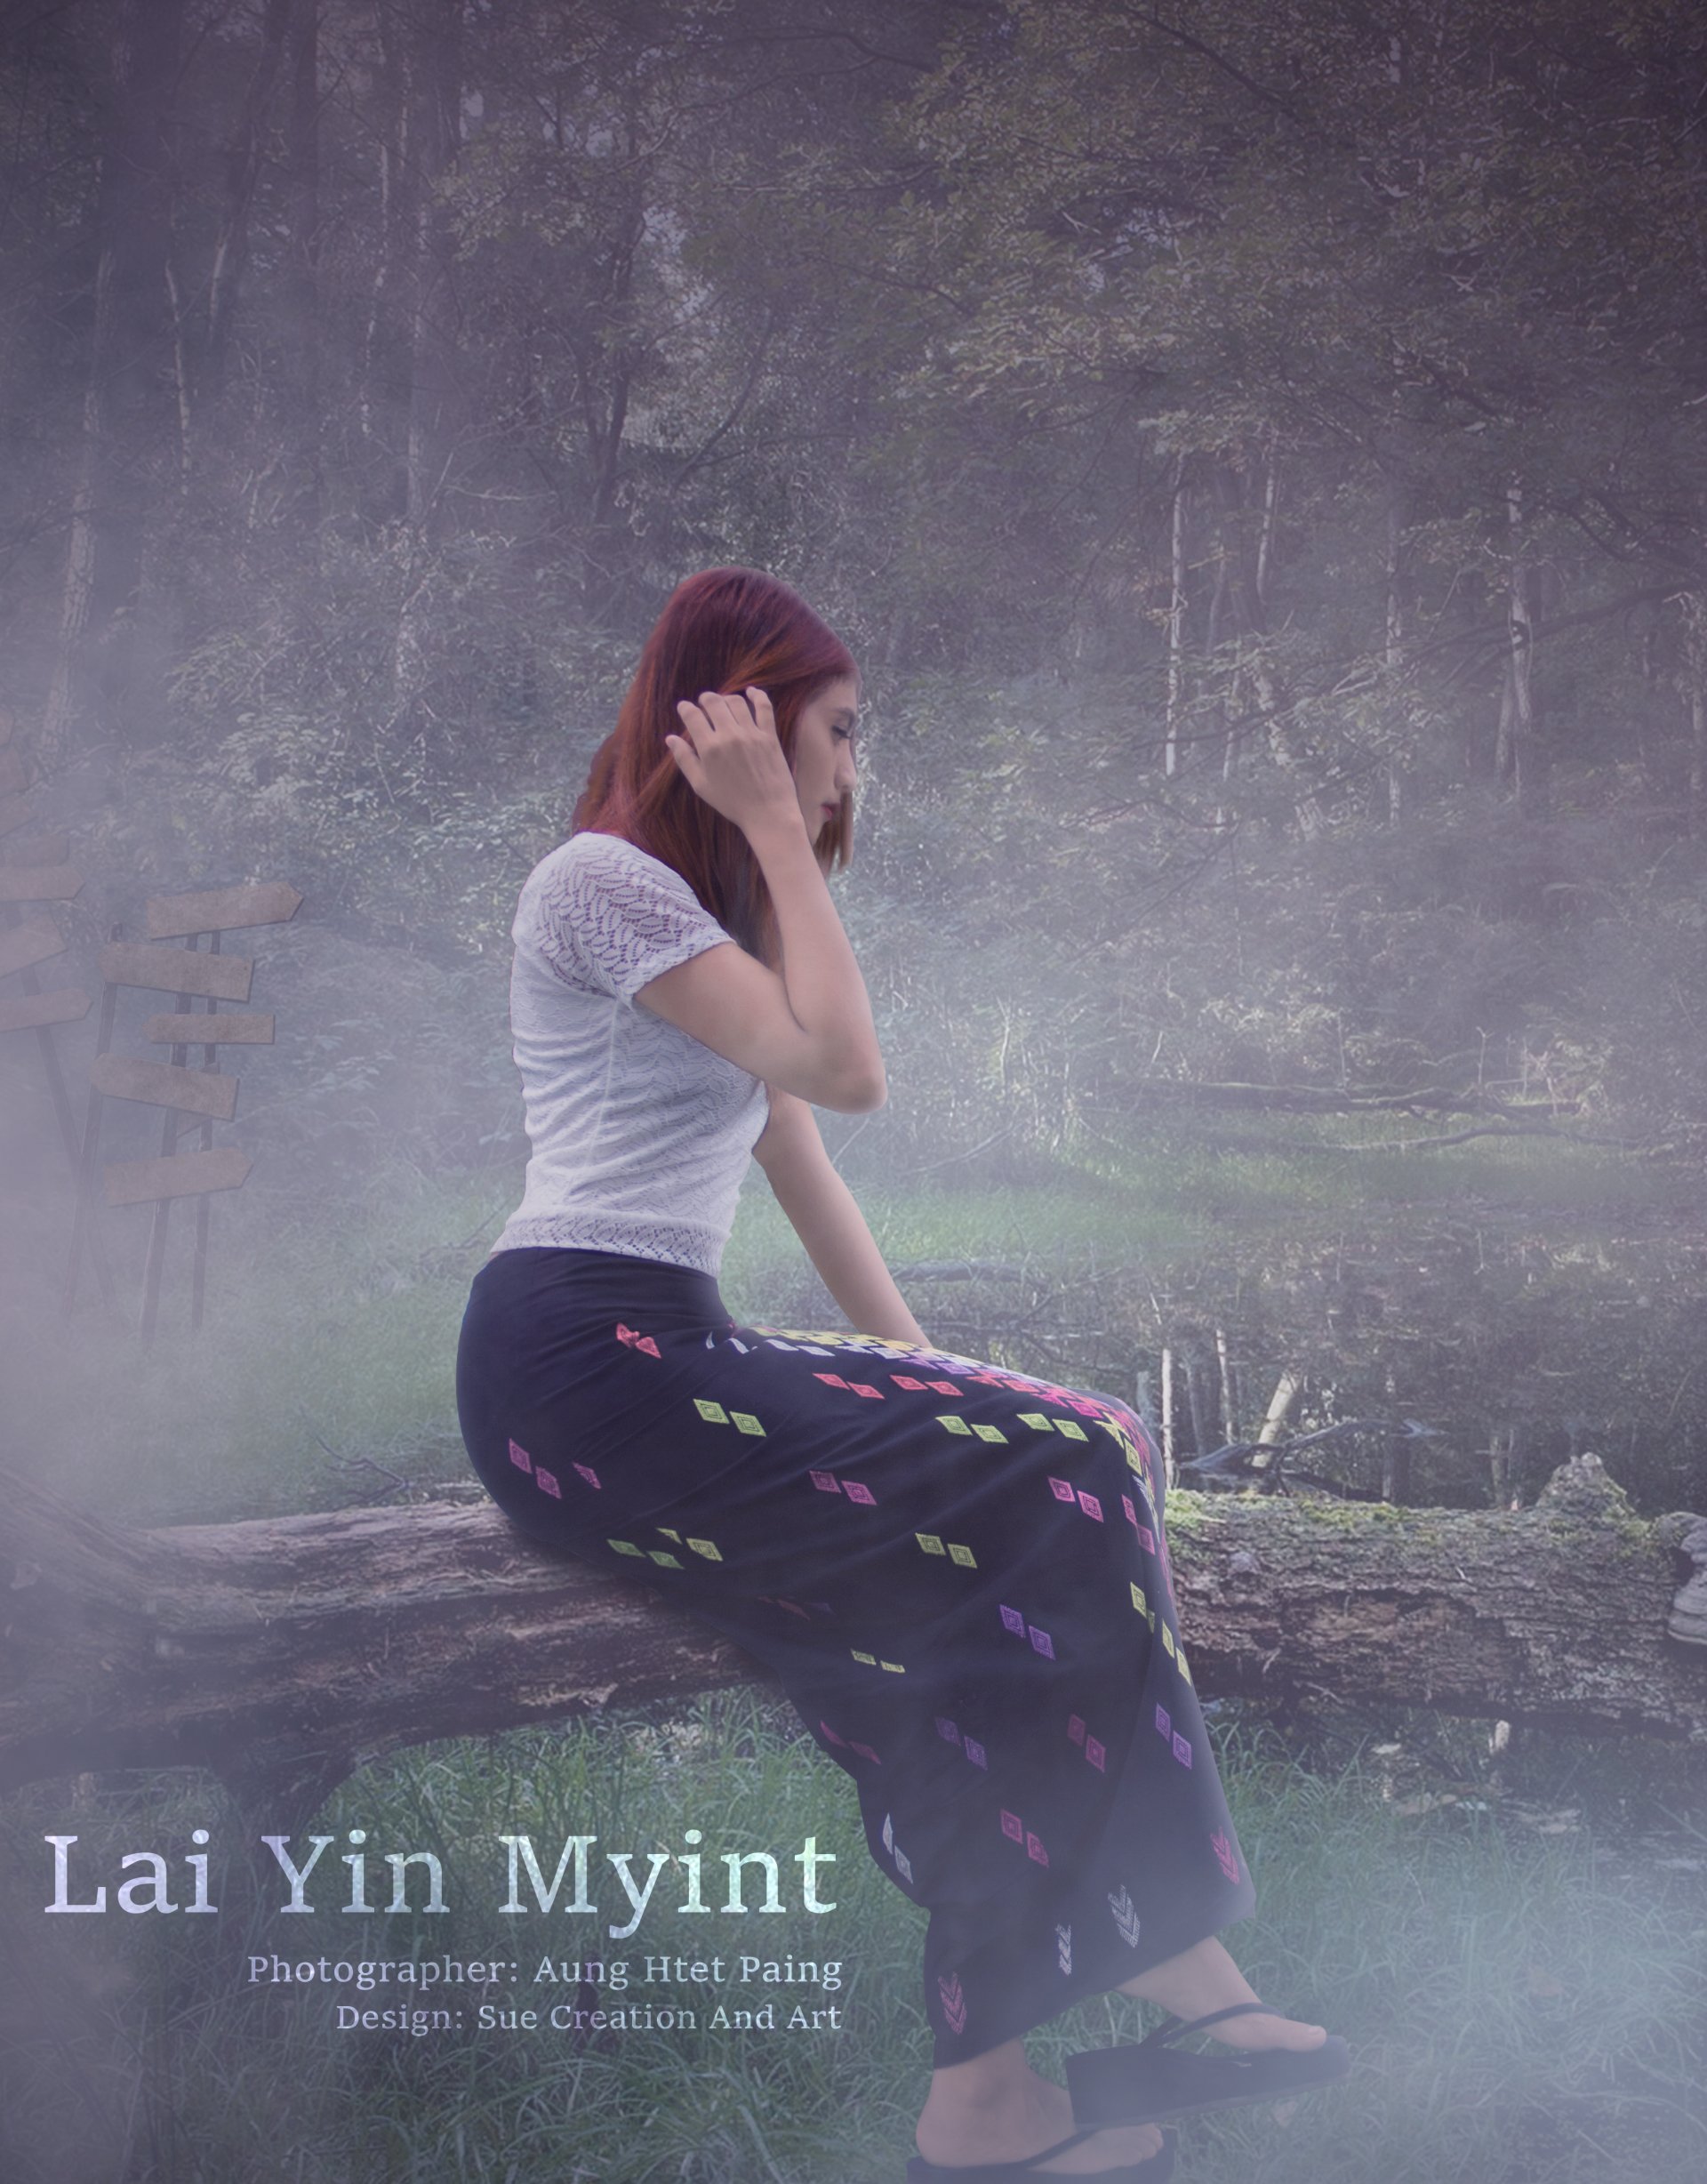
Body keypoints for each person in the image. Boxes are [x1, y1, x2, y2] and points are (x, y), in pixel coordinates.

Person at [456, 568, 1342, 2181]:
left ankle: (984, 2104)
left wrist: (943, 1404)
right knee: (1087, 1447)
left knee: (958, 1611)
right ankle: (1169, 1952)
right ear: (737, 719)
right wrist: (777, 833)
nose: (853, 770)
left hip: (657, 1351)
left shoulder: (705, 923)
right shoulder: (597, 882)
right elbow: (847, 1075)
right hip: (581, 1360)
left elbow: (803, 1165)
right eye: (841, 731)